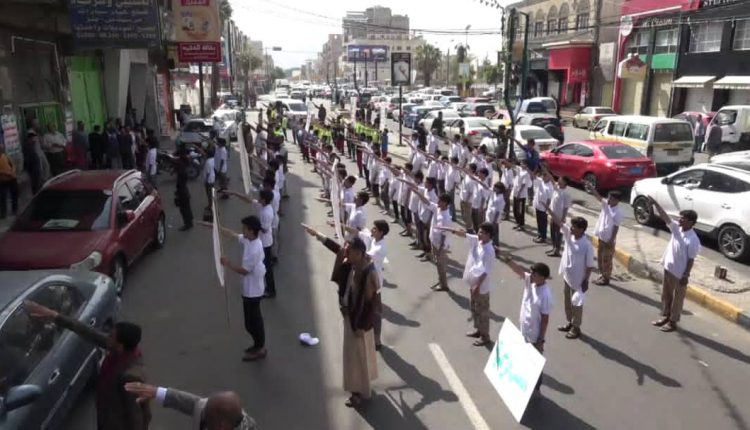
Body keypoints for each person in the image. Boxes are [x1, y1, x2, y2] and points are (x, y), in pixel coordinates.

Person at [23, 301, 151, 429]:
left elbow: (137, 416)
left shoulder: (131, 376)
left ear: (120, 345)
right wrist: (54, 316)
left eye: (111, 336)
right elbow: (88, 332)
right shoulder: (119, 350)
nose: (107, 337)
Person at [304, 231, 379, 408]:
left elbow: (371, 304)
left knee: (355, 360)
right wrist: (320, 236)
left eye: (349, 251)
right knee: (358, 358)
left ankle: (357, 393)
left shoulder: (368, 272)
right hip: (351, 317)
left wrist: (361, 326)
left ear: (359, 253)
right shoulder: (354, 263)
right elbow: (338, 249)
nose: (345, 253)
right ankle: (362, 386)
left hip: (358, 323)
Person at [210, 216, 268, 361]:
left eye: (245, 228)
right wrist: (217, 228)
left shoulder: (255, 249)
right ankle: (257, 345)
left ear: (251, 231)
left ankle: (260, 348)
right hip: (250, 288)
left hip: (253, 291)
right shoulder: (249, 240)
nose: (242, 230)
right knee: (250, 322)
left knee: (253, 322)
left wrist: (227, 263)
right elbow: (234, 235)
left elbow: (244, 271)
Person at [498, 255, 552, 394]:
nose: (531, 275)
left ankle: (536, 389)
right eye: (531, 272)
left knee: (535, 362)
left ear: (542, 277)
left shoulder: (545, 295)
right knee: (525, 359)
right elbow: (519, 270)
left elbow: (545, 319)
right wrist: (507, 259)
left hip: (535, 334)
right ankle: (525, 386)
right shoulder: (531, 281)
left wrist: (541, 339)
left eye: (535, 274)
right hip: (525, 329)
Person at [649, 197, 701, 333]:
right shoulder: (677, 229)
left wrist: (686, 275)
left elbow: (691, 259)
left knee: (677, 299)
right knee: (666, 295)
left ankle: (673, 322)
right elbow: (665, 217)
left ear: (691, 222)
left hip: (679, 274)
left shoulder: (693, 239)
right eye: (680, 217)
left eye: (683, 218)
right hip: (668, 268)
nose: (680, 220)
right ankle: (665, 316)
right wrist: (656, 203)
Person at [441, 223, 497, 346]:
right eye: (479, 231)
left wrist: (477, 286)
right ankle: (478, 330)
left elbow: (486, 271)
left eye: (482, 232)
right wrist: (447, 228)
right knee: (474, 308)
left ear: (488, 235)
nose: (479, 234)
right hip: (473, 283)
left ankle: (485, 336)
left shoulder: (489, 251)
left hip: (481, 287)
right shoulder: (478, 241)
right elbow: (463, 234)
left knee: (482, 311)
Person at [547, 206, 595, 340]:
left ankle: (576, 327)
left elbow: (590, 265)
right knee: (567, 302)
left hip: (578, 281)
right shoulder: (569, 234)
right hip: (567, 277)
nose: (571, 228)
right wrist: (548, 209)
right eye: (572, 226)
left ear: (581, 229)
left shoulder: (586, 245)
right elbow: (559, 221)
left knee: (577, 304)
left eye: (574, 227)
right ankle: (570, 322)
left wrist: (586, 280)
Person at [124, 383, 256, 430]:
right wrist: (156, 392)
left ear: (222, 426)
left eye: (207, 418)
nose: (203, 417)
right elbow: (193, 404)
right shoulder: (211, 412)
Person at [591, 189, 624, 286]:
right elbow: (598, 197)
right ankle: (601, 275)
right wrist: (592, 188)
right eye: (608, 198)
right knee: (600, 258)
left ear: (616, 200)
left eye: (611, 199)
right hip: (601, 238)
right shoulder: (606, 205)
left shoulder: (617, 212)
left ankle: (606, 278)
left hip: (608, 240)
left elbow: (616, 227)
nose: (608, 200)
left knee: (606, 260)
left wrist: (611, 239)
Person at [428, 194, 452, 291]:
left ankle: (444, 285)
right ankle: (441, 281)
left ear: (445, 203)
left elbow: (444, 235)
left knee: (441, 265)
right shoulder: (438, 209)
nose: (438, 202)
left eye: (440, 201)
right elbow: (427, 202)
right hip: (435, 241)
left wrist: (440, 248)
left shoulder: (446, 217)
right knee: (438, 264)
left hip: (440, 245)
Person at [258, 189, 277, 298]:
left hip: (265, 242)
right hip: (266, 241)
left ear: (264, 200)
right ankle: (269, 288)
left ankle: (270, 290)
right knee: (266, 266)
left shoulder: (266, 213)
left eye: (260, 198)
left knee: (267, 267)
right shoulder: (267, 208)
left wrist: (256, 225)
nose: (259, 199)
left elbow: (264, 229)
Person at [547, 176, 572, 257]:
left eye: (560, 180)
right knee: (552, 232)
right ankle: (553, 247)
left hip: (559, 216)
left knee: (558, 234)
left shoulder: (566, 193)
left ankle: (557, 250)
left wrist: (563, 218)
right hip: (552, 215)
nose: (558, 181)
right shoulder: (557, 189)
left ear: (565, 182)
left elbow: (566, 207)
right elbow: (552, 180)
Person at [22, 128, 48, 194]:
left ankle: (40, 190)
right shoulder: (27, 146)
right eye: (32, 138)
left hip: (36, 165)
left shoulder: (32, 145)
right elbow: (28, 159)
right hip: (33, 168)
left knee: (39, 179)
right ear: (29, 139)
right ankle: (37, 194)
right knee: (36, 182)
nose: (34, 140)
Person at [174, 146, 194, 231]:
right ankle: (190, 222)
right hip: (184, 191)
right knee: (186, 207)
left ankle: (187, 223)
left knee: (183, 208)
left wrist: (177, 193)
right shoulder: (184, 165)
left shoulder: (181, 171)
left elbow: (180, 184)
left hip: (182, 192)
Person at [532, 170, 553, 243]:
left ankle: (543, 237)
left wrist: (546, 208)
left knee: (543, 223)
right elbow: (534, 177)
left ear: (549, 177)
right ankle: (539, 234)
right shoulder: (541, 182)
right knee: (539, 222)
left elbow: (549, 199)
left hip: (544, 208)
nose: (543, 177)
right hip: (538, 205)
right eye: (543, 175)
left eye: (545, 176)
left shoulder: (550, 186)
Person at [512, 160, 532, 231]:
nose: (521, 164)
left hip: (521, 195)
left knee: (520, 211)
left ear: (526, 165)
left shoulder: (526, 173)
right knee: (515, 209)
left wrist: (519, 193)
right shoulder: (520, 170)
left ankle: (521, 225)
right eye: (521, 163)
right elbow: (514, 167)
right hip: (515, 193)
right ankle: (518, 223)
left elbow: (524, 184)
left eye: (523, 164)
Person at [0, 143, 19, 219]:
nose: (1, 149)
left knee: (14, 195)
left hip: (12, 178)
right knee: (2, 197)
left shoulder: (5, 156)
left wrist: (12, 171)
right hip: (2, 180)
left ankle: (15, 210)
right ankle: (3, 213)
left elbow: (12, 164)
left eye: (1, 148)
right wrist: (6, 173)